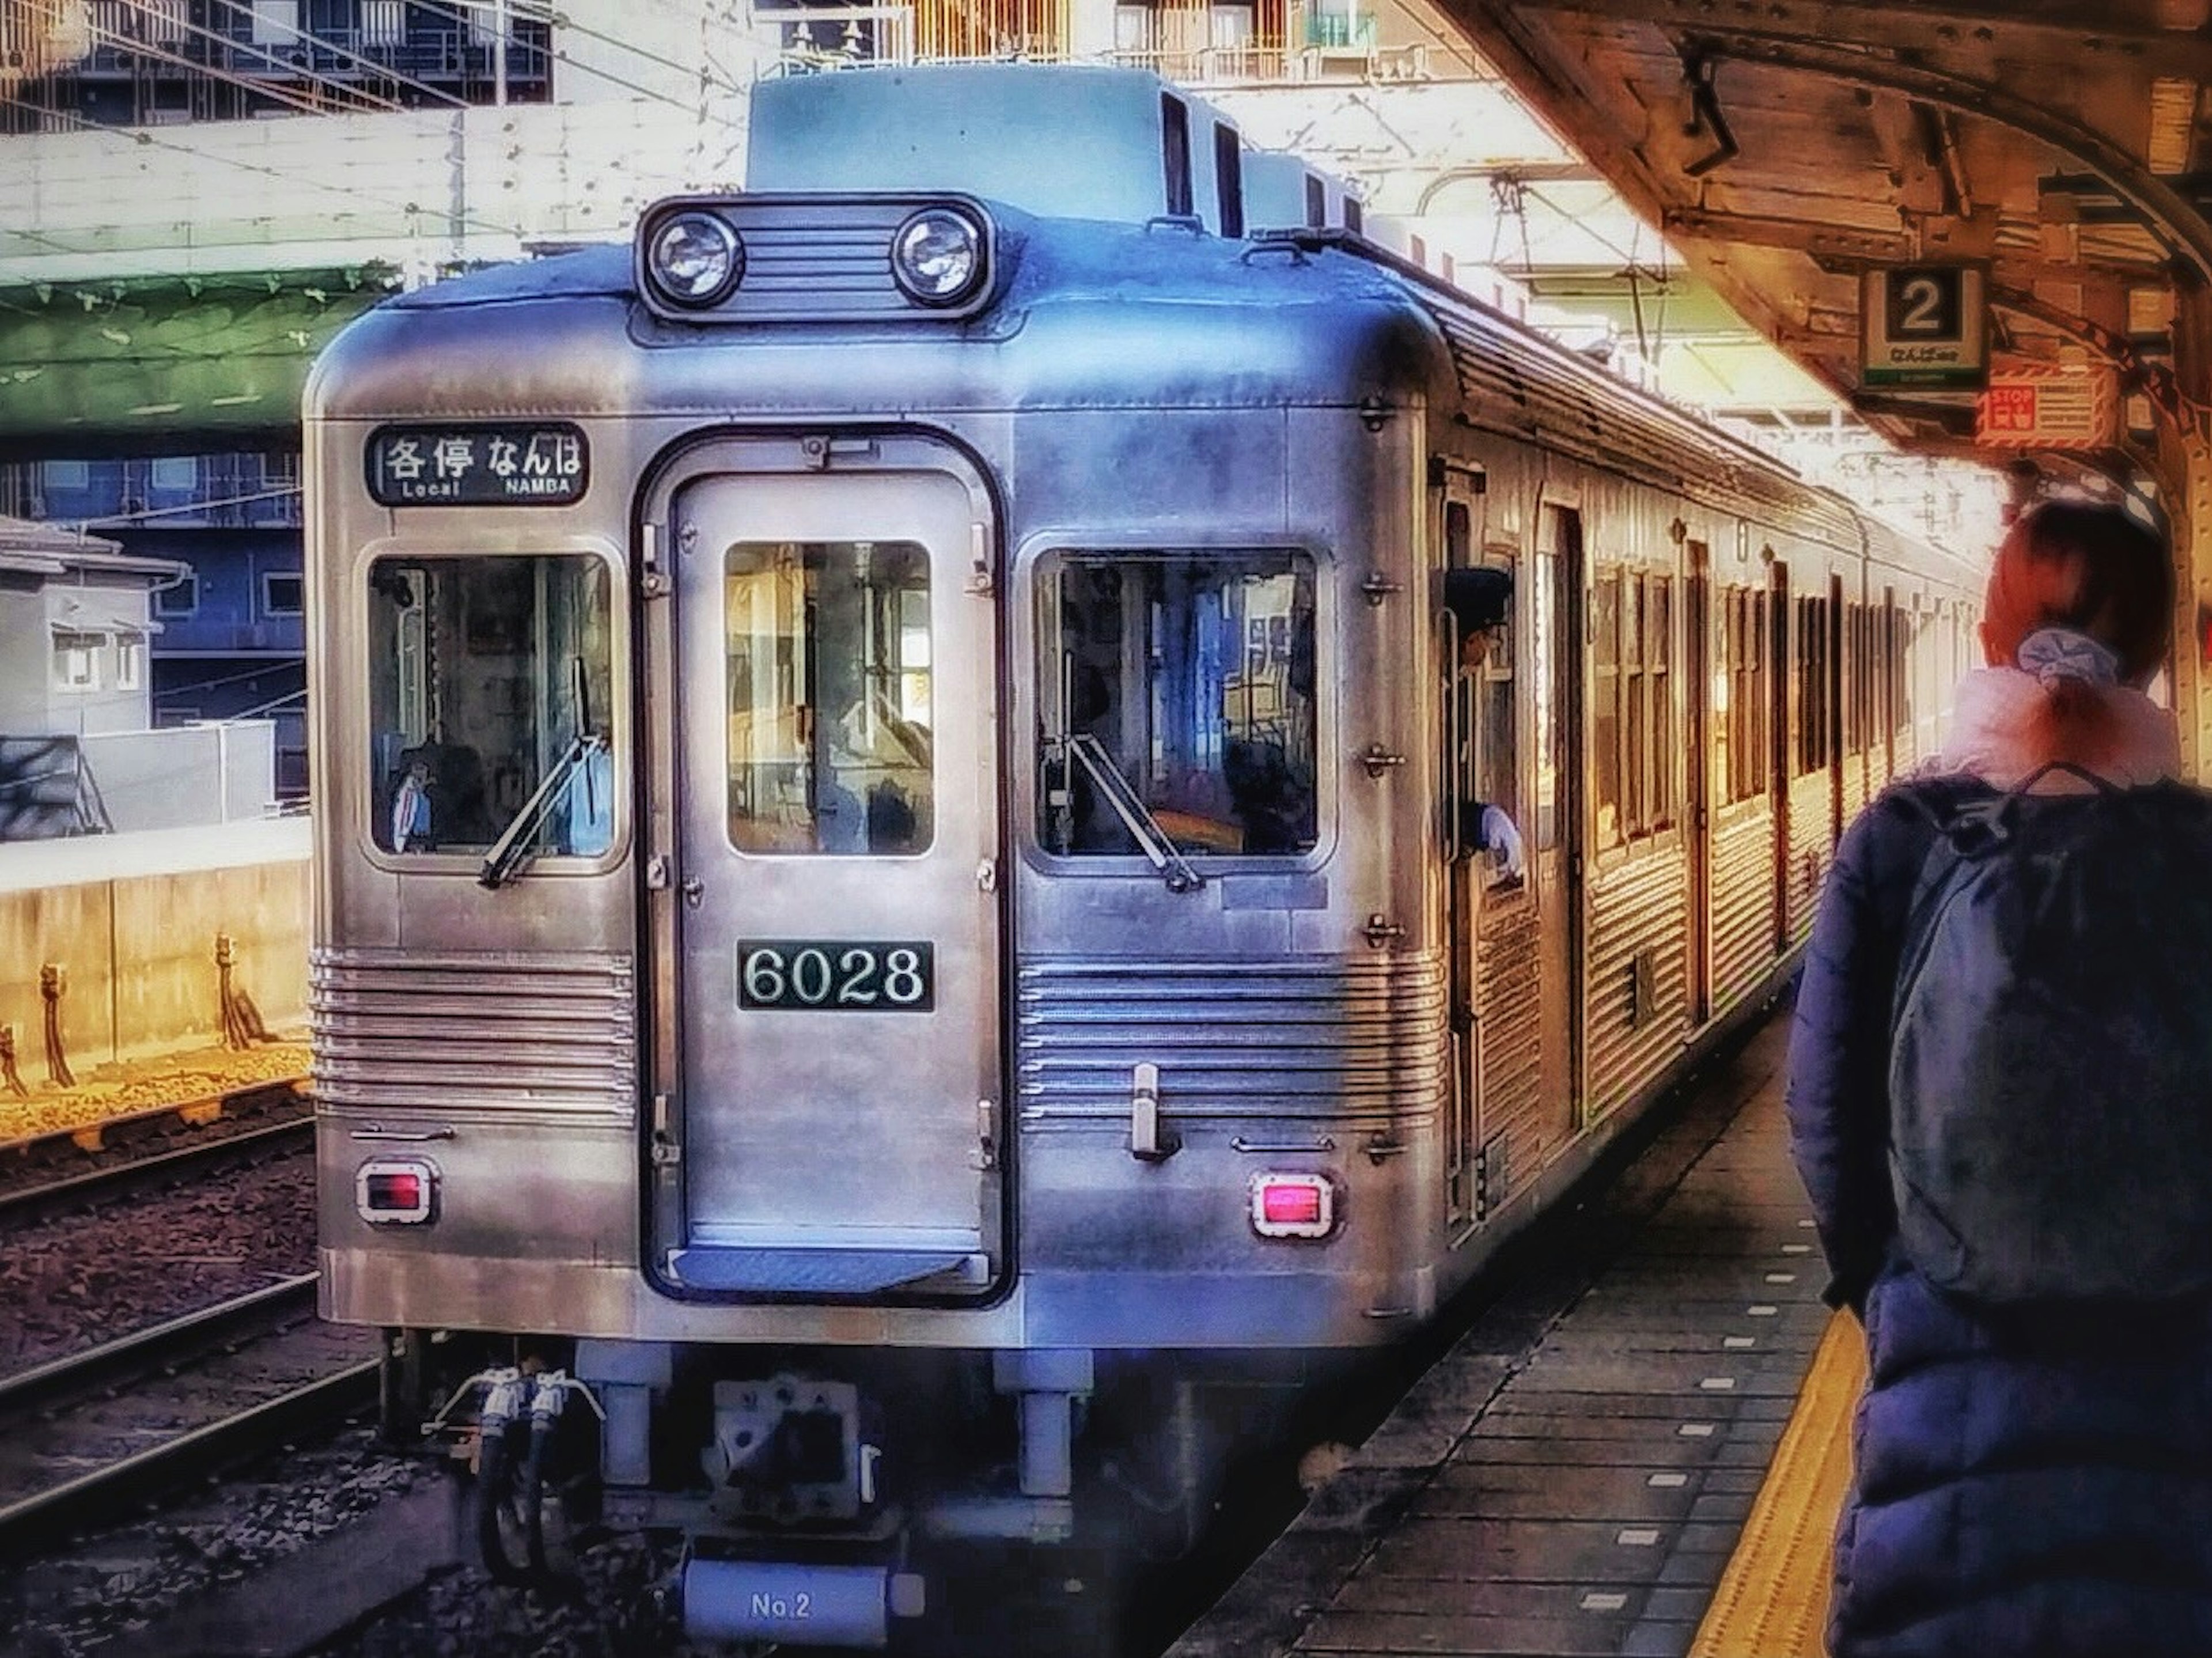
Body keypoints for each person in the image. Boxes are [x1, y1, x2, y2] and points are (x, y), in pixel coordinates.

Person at [1786, 499, 2212, 1657]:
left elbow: (1825, 1108)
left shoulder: (1903, 838)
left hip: (1948, 1361)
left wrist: (1892, 1271)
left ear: (1987, 636)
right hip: (2177, 1380)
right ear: (2165, 652)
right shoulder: (2198, 846)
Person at [1443, 567, 1526, 879]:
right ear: (1468, 638)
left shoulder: (1451, 689)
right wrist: (1478, 821)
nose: (1488, 651)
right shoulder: (1427, 697)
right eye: (1488, 639)